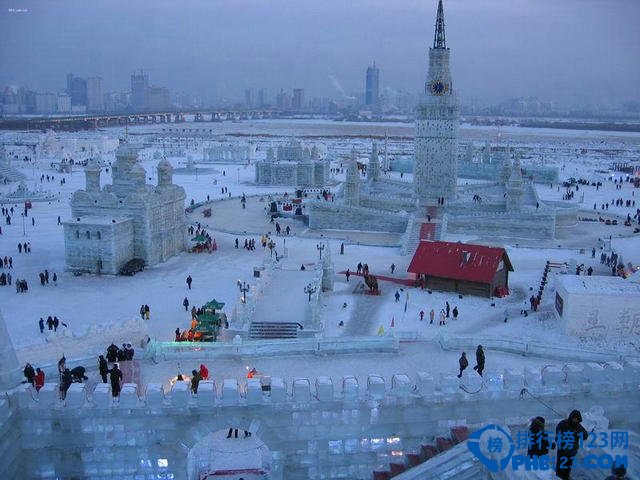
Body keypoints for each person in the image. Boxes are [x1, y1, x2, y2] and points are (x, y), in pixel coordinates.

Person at [555, 409, 589, 480]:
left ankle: (566, 477)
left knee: (568, 466)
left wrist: (578, 431)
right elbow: (558, 436)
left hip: (572, 451)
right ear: (571, 417)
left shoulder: (579, 427)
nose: (575, 420)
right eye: (574, 418)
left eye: (577, 419)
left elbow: (585, 436)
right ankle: (558, 477)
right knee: (560, 466)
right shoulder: (563, 424)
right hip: (562, 450)